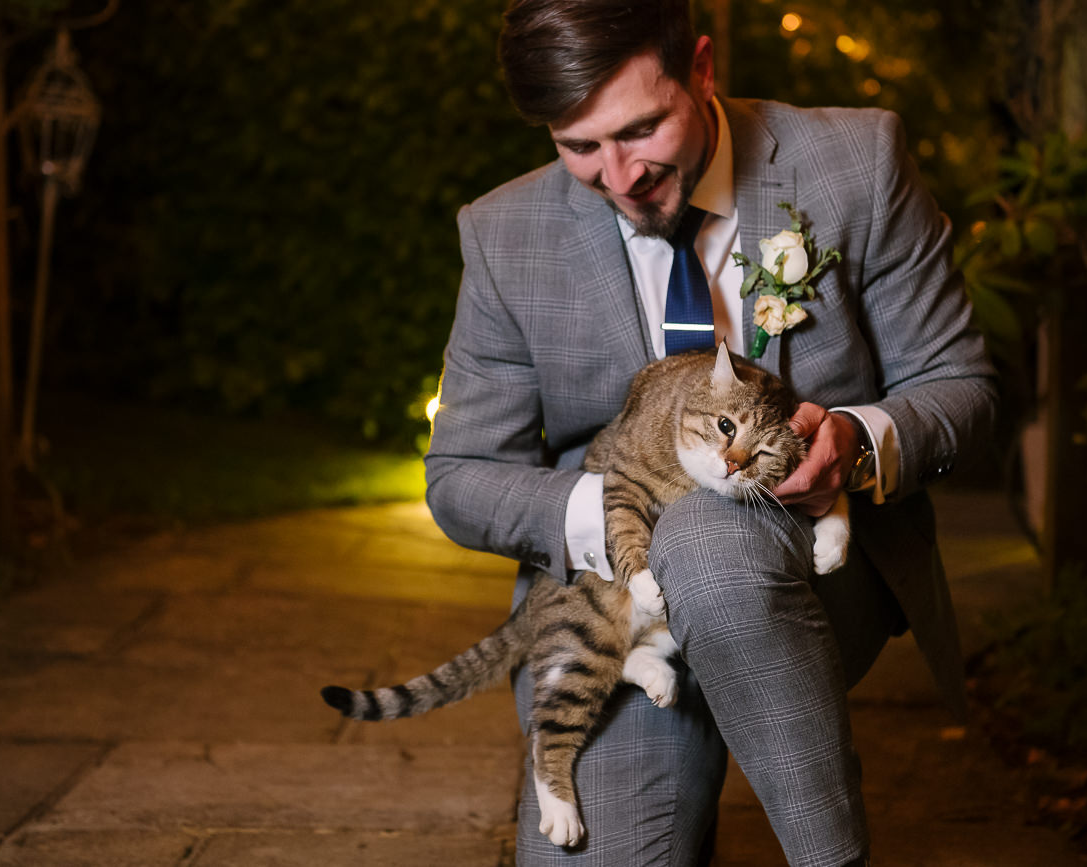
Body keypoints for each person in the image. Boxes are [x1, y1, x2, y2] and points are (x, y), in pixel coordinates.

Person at [423, 0, 998, 864]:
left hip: (816, 577)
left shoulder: (856, 162)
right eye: (579, 146)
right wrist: (613, 515)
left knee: (709, 540)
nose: (618, 175)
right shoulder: (506, 234)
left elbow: (962, 387)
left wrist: (854, 436)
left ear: (701, 68)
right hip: (622, 614)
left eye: (641, 128)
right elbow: (460, 473)